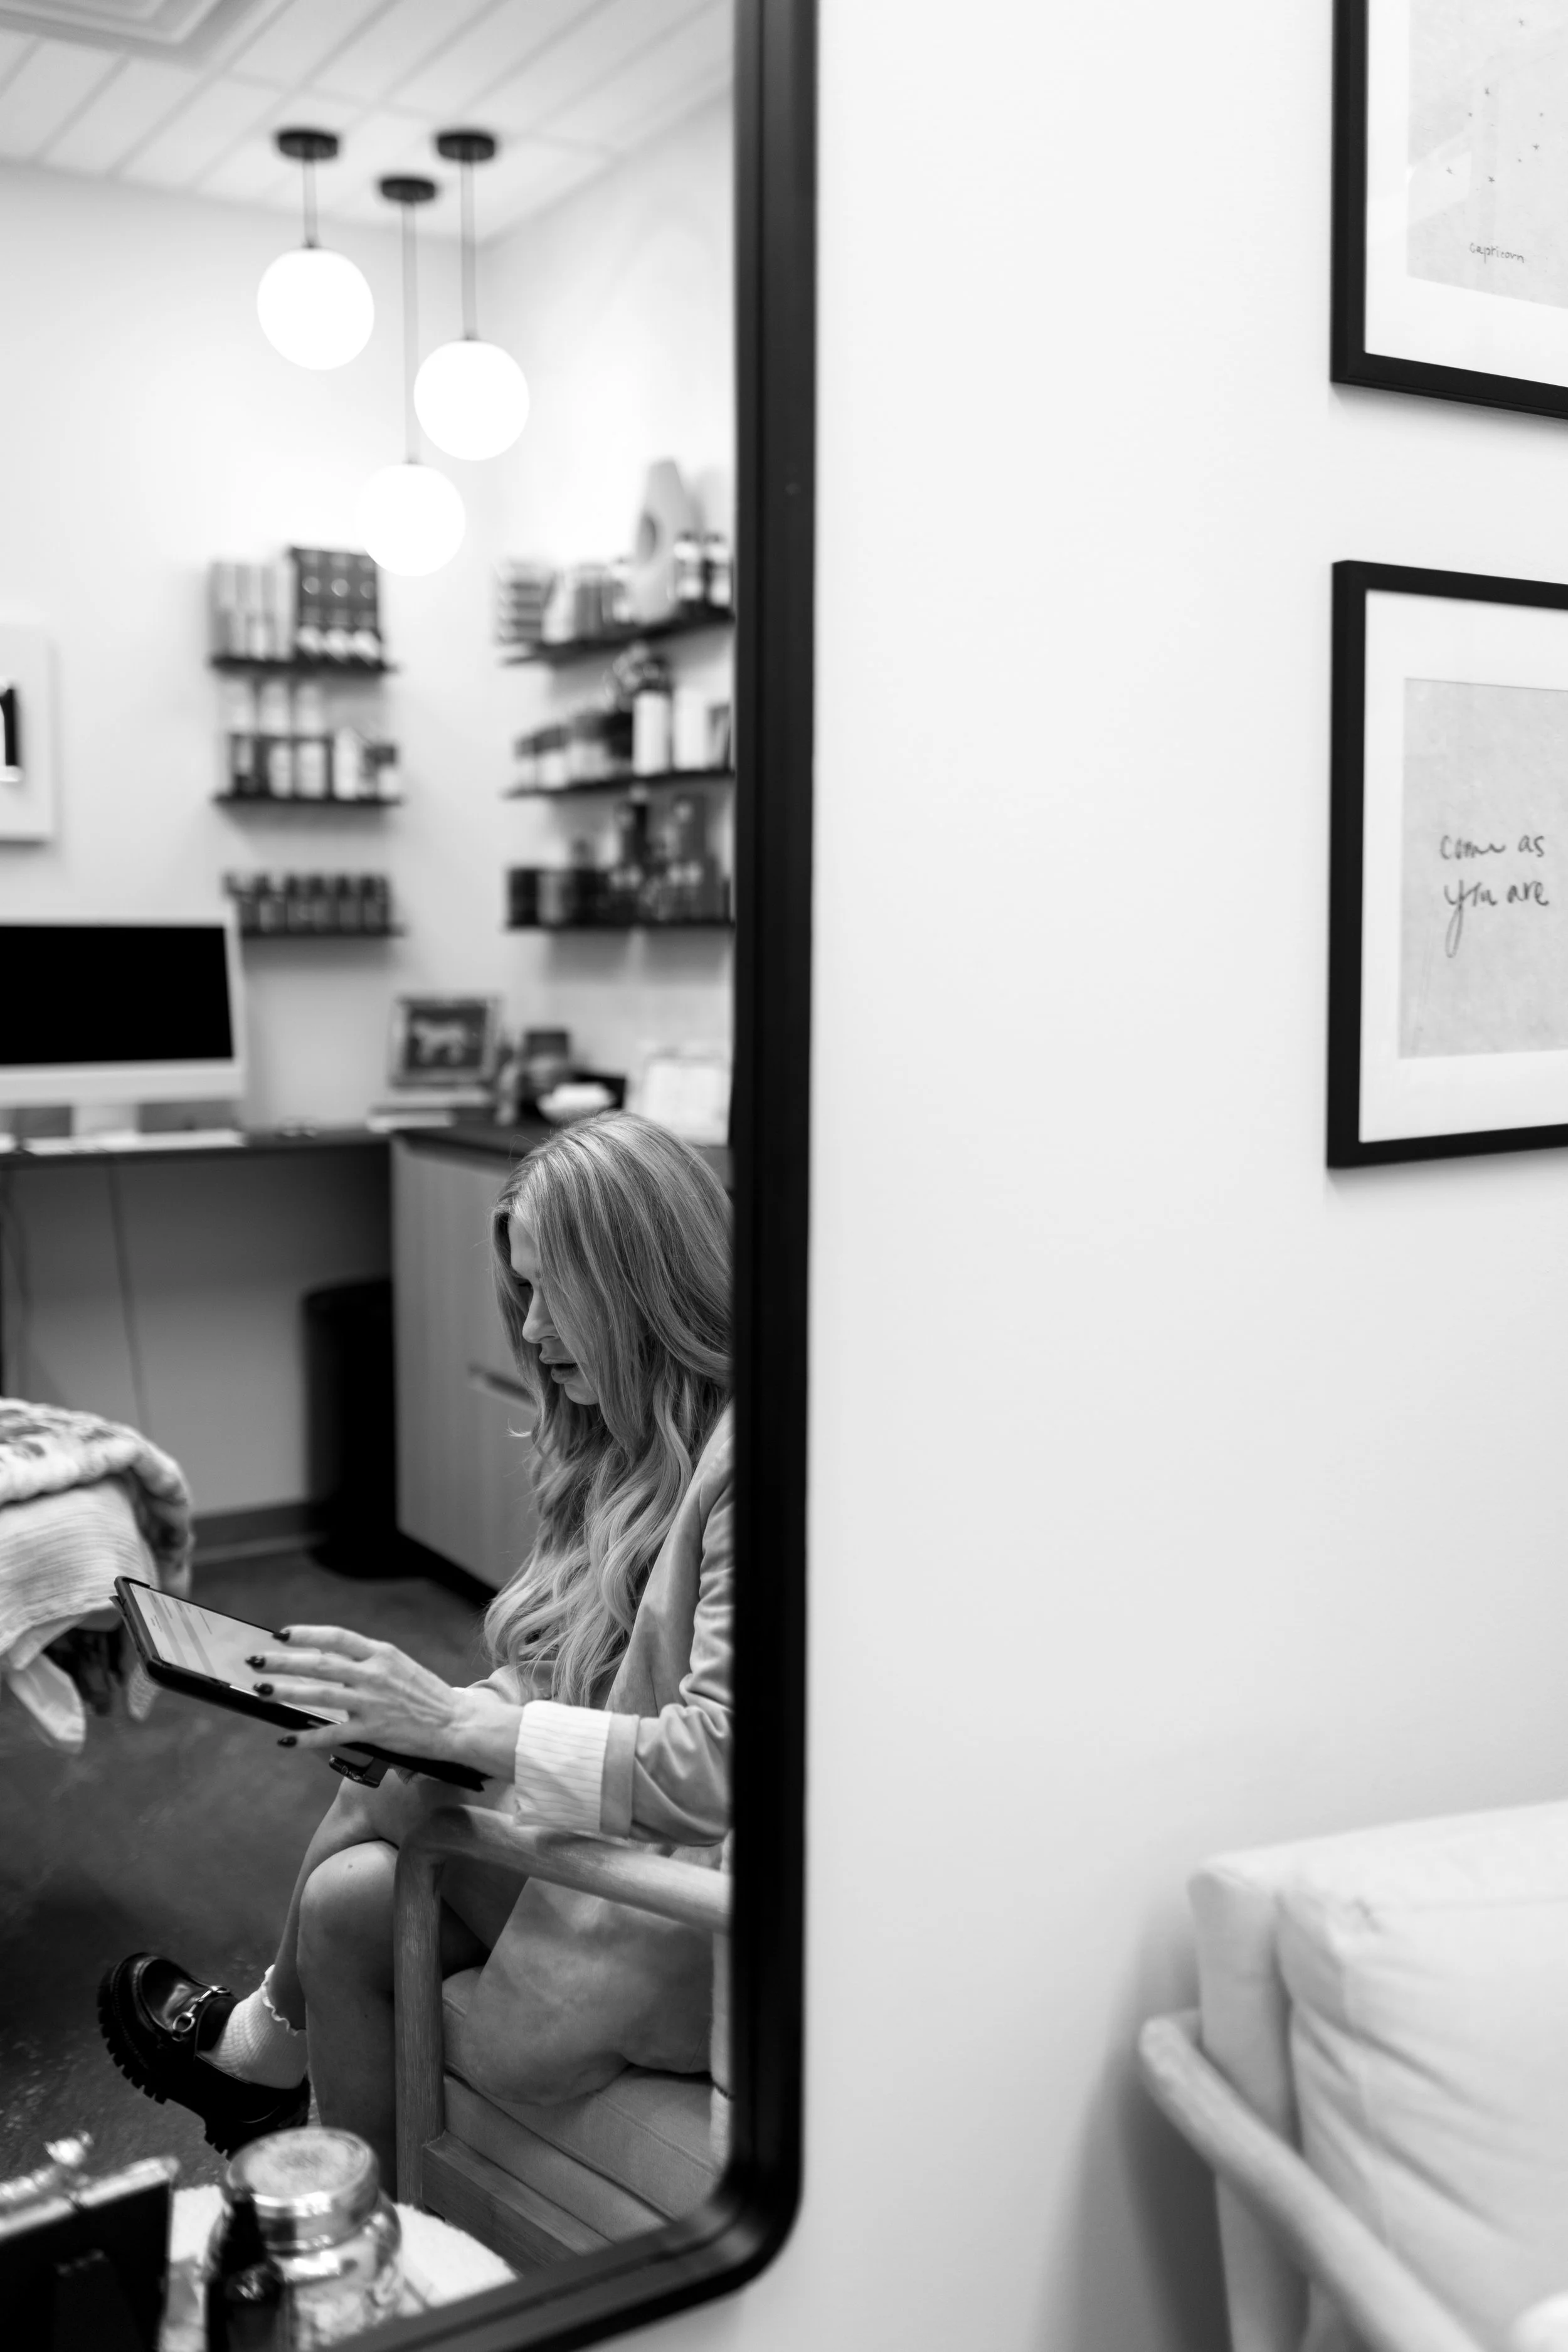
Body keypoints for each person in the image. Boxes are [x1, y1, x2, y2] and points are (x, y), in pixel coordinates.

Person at [98, 1111, 733, 2184]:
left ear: (644, 1282)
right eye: (520, 1292)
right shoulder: (629, 1441)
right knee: (358, 1873)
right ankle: (373, 2214)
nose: (530, 1332)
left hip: (707, 1911)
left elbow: (716, 1760)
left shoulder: (747, 1474)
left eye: (554, 1293)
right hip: (645, 1838)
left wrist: (457, 1728)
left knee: (388, 1801)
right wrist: (433, 1714)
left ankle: (261, 2052)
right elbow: (579, 1674)